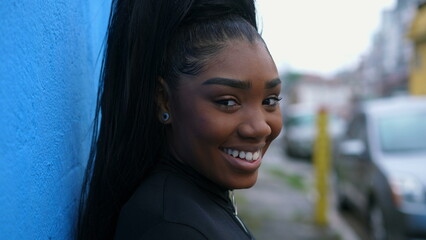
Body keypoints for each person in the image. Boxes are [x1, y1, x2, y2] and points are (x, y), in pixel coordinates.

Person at [77, 0, 282, 239]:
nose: (260, 127)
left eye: (270, 101)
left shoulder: (198, 201)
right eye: (228, 102)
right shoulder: (172, 227)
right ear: (164, 100)